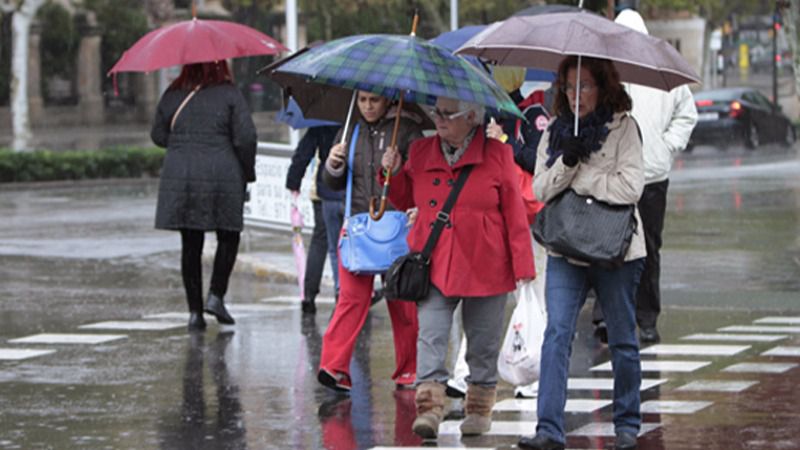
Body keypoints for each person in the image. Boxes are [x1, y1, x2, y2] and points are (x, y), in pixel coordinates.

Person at [381, 96, 535, 439]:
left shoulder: (498, 154)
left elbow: (514, 213)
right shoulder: (420, 151)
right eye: (437, 111)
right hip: (434, 261)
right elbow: (406, 199)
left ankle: (479, 409)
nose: (439, 118)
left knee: (482, 344)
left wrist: (523, 265)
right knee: (431, 336)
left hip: (487, 263)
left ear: (472, 118)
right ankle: (430, 409)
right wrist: (390, 171)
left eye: (448, 114)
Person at [517, 55, 645, 450]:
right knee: (556, 335)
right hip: (567, 246)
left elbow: (630, 188)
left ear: (602, 87)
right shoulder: (555, 131)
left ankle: (626, 424)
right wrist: (566, 160)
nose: (576, 96)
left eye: (585, 86)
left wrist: (581, 174)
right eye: (569, 87)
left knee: (622, 337)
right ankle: (548, 430)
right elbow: (540, 190)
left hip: (615, 250)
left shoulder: (624, 128)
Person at [591, 6, 698, 344]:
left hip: (651, 175)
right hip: (614, 175)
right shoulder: (604, 71)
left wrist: (667, 145)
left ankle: (646, 318)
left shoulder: (660, 74)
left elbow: (687, 113)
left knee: (648, 249)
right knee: (609, 247)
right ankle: (609, 316)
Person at [447, 66, 551, 400]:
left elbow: (539, 162)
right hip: (493, 223)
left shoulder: (533, 114)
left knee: (534, 298)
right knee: (482, 297)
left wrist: (504, 141)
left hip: (529, 225)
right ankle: (466, 372)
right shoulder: (481, 117)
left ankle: (535, 369)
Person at [317, 90, 424, 393]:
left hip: (397, 226)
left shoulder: (407, 130)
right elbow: (332, 183)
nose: (367, 106)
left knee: (402, 300)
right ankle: (334, 367)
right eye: (362, 100)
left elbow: (421, 176)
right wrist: (333, 164)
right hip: (358, 227)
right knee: (350, 298)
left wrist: (400, 166)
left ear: (388, 99)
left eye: (374, 100)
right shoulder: (348, 129)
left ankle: (409, 369)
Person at [150, 61, 257, 332]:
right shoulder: (229, 93)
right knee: (229, 234)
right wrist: (247, 171)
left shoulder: (173, 93)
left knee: (191, 242)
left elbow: (158, 135)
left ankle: (194, 313)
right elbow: (245, 138)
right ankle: (216, 295)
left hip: (182, 175)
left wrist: (184, 141)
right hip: (223, 172)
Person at [285, 125, 342, 314]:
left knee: (321, 241)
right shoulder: (357, 120)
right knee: (344, 246)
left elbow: (303, 152)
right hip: (350, 193)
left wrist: (294, 182)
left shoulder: (323, 119)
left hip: (323, 191)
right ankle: (343, 294)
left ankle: (309, 295)